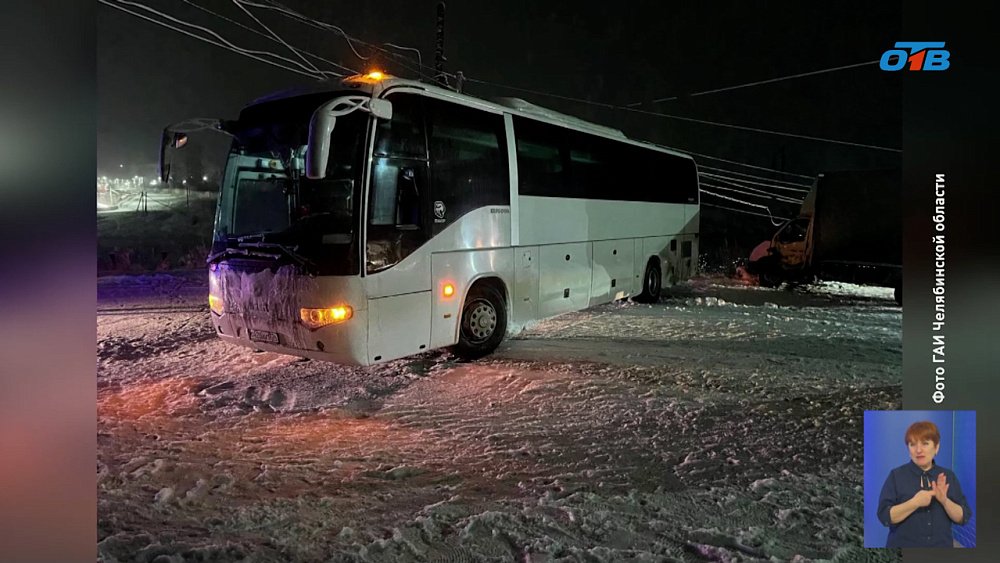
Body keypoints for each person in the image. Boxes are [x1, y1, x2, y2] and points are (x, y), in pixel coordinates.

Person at [877, 420, 972, 547]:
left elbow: (962, 518)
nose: (918, 450)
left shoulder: (948, 476)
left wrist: (944, 501)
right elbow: (885, 517)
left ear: (936, 447)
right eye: (912, 444)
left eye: (925, 443)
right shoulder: (896, 476)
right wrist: (914, 502)